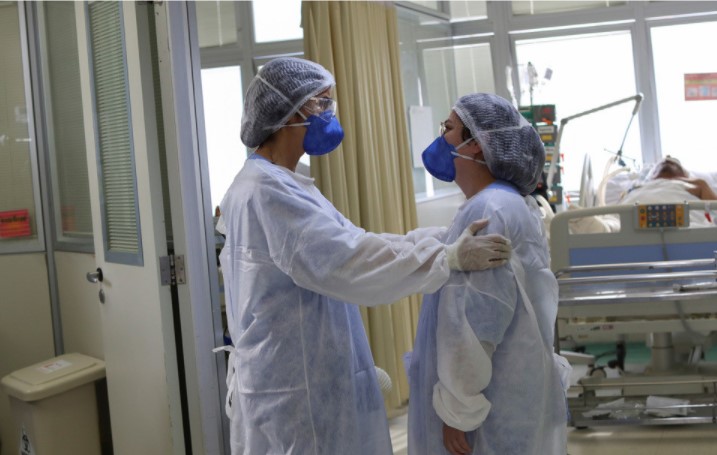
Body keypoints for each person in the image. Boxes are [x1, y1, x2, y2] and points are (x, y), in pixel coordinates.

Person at [216, 57, 513, 455]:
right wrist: (446, 258)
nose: (329, 114)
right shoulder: (267, 191)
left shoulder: (283, 183)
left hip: (299, 376)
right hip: (293, 392)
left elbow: (355, 241)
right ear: (288, 112)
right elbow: (348, 260)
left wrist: (442, 240)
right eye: (322, 104)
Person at [407, 93, 571, 455]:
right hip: (512, 390)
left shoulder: (489, 208)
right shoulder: (504, 202)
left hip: (488, 408)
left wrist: (459, 409)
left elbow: (475, 322)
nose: (441, 136)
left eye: (448, 128)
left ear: (477, 145)